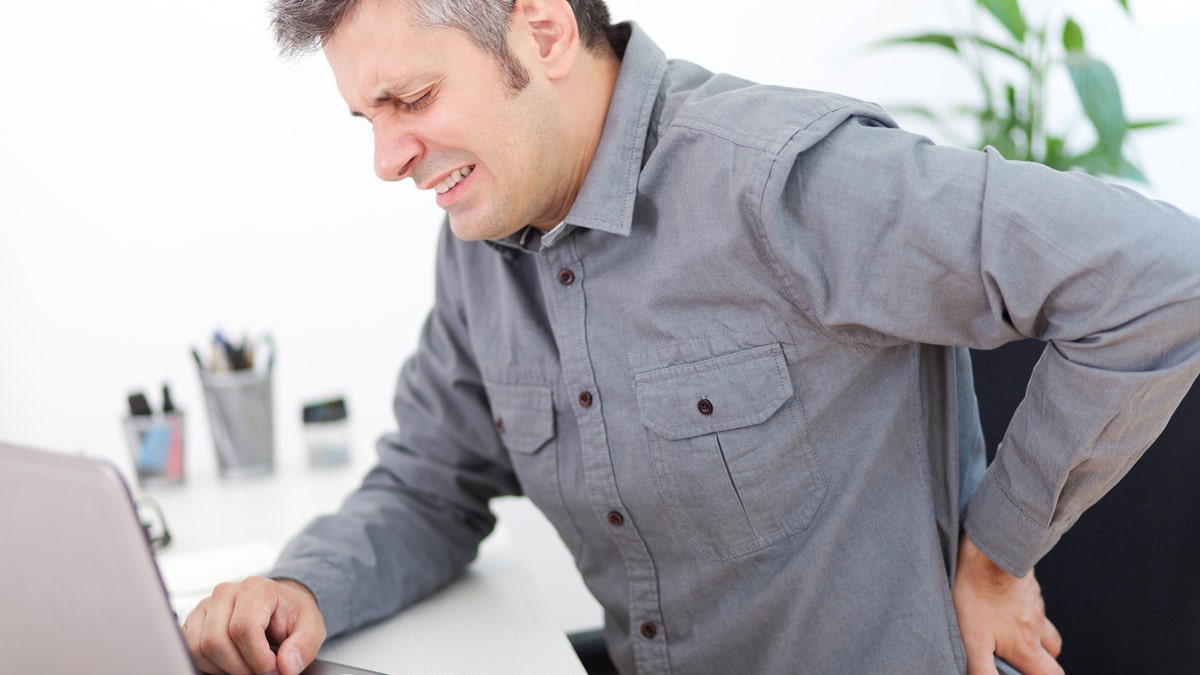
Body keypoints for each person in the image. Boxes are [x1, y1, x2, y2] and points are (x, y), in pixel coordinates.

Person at [181, 0, 1200, 673]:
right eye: (366, 117)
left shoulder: (786, 183)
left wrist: (996, 553)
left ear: (539, 31)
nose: (388, 158)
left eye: (410, 99)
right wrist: (299, 586)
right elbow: (427, 485)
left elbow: (1161, 277)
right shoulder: (482, 235)